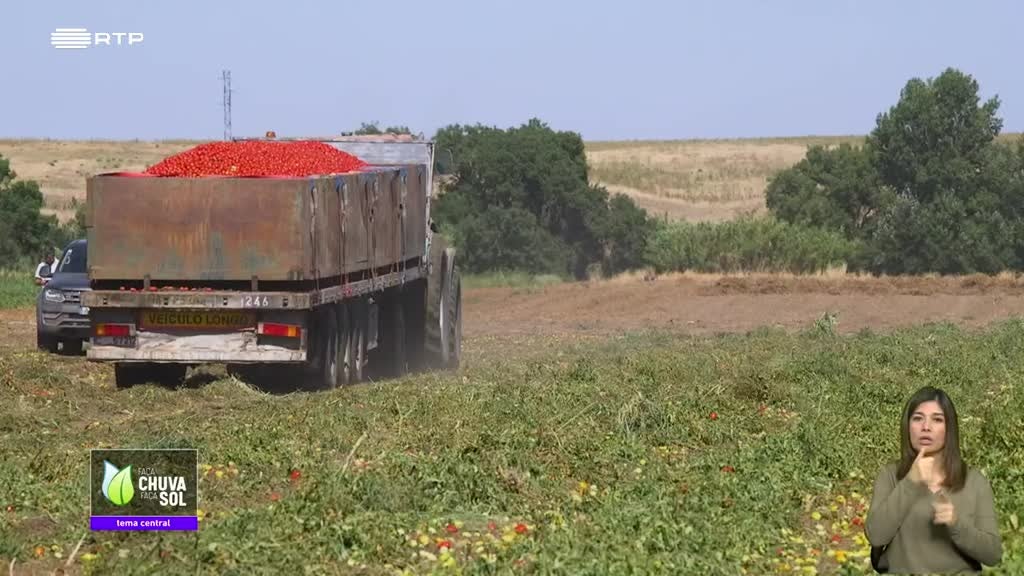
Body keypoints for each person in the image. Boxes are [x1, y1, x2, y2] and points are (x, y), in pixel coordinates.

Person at [865, 386, 1002, 573]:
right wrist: (910, 482)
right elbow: (876, 536)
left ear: (949, 429)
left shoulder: (974, 481)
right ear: (908, 426)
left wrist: (955, 523)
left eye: (937, 419)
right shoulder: (890, 475)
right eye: (918, 418)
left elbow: (993, 554)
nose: (926, 427)